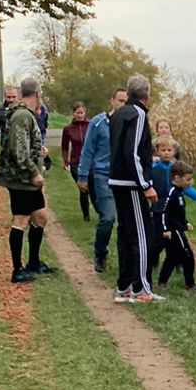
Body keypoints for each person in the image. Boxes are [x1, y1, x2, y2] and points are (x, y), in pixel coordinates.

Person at [0, 77, 54, 283]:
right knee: (21, 219)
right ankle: (17, 270)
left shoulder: (27, 114)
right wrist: (34, 173)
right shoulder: (21, 115)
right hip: (20, 178)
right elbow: (18, 151)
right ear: (37, 93)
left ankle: (34, 262)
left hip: (27, 178)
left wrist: (39, 150)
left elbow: (26, 144)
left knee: (41, 217)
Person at [108, 73, 160, 303]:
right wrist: (145, 184)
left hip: (117, 181)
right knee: (141, 234)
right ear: (146, 94)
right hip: (131, 184)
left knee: (126, 233)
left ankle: (125, 286)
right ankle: (141, 289)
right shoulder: (138, 114)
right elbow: (133, 152)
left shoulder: (118, 114)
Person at [77, 89, 122, 273]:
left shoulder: (130, 123)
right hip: (102, 174)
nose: (123, 104)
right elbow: (88, 150)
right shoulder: (98, 122)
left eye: (126, 101)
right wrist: (82, 176)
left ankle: (128, 259)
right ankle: (100, 253)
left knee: (126, 222)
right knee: (108, 217)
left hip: (124, 176)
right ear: (112, 101)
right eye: (120, 100)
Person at [156, 164, 196, 291]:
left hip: (177, 228)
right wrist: (166, 229)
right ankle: (190, 284)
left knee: (172, 257)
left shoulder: (179, 192)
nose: (191, 182)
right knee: (187, 256)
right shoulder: (171, 193)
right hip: (173, 231)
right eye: (188, 179)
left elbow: (177, 212)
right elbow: (163, 211)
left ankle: (162, 282)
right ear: (177, 178)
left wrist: (185, 222)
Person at [61, 103, 91, 218]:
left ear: (85, 113)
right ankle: (86, 215)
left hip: (90, 161)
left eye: (81, 113)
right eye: (77, 113)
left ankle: (100, 211)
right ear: (73, 113)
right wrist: (65, 161)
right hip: (76, 162)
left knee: (93, 188)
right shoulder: (68, 129)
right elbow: (64, 147)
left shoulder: (90, 126)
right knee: (83, 188)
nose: (80, 115)